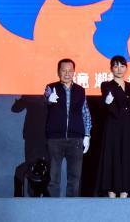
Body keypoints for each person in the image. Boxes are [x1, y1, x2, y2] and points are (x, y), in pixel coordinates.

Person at [43, 58, 91, 197]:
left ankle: (72, 207)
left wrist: (87, 135)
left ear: (74, 72)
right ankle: (53, 206)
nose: (67, 73)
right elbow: (46, 98)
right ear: (58, 72)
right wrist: (49, 99)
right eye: (64, 70)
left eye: (70, 70)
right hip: (55, 138)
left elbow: (85, 113)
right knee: (53, 177)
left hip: (76, 138)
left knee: (74, 177)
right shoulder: (51, 87)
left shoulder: (80, 90)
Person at [97, 55, 130, 197]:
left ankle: (125, 192)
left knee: (127, 158)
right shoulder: (106, 85)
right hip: (114, 127)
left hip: (129, 127)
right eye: (116, 66)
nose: (119, 69)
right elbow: (105, 106)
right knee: (113, 156)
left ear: (126, 68)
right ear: (111, 69)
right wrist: (107, 102)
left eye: (122, 66)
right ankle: (111, 192)